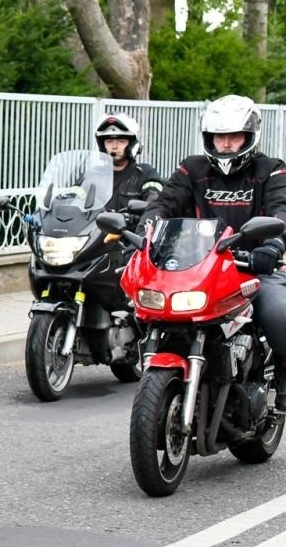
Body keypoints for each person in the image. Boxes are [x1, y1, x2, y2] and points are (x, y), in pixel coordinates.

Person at [144, 93, 286, 363]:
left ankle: (281, 378)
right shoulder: (192, 169)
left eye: (235, 136)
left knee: (278, 314)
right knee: (149, 308)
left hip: (254, 269)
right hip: (199, 269)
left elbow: (283, 209)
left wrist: (273, 246)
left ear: (250, 135)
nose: (226, 144)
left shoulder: (271, 170)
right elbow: (165, 202)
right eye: (219, 137)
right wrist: (145, 233)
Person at [93, 112, 163, 213]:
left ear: (131, 145)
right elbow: (73, 200)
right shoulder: (94, 175)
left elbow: (154, 203)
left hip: (130, 228)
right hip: (96, 228)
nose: (114, 146)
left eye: (121, 141)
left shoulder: (145, 174)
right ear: (102, 146)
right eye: (109, 141)